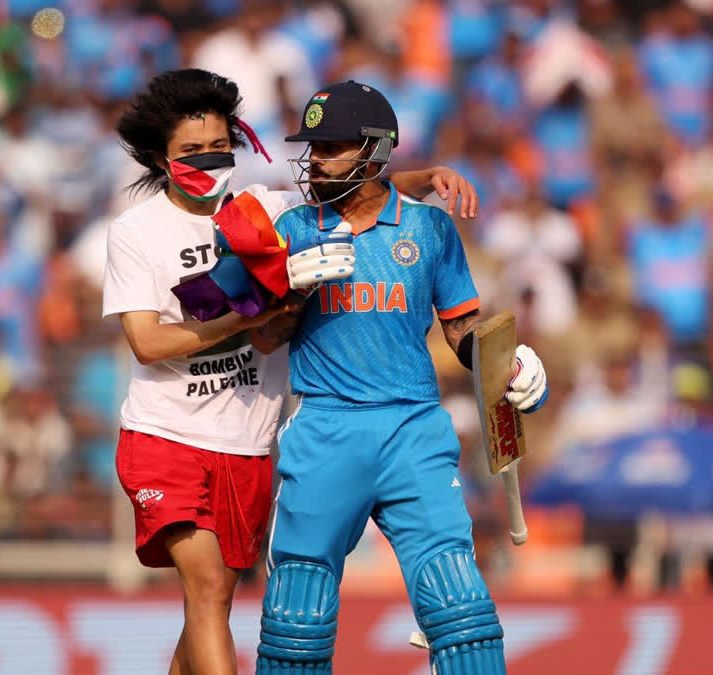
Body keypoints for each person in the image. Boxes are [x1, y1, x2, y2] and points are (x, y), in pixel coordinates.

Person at [101, 69, 477, 675]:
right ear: (158, 157)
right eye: (190, 151)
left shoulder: (266, 211)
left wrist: (427, 178)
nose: (208, 159)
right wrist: (255, 314)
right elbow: (146, 342)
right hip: (165, 434)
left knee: (210, 606)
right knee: (208, 592)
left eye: (218, 145)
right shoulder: (136, 231)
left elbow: (357, 188)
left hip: (247, 439)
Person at [254, 81, 549, 674]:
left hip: (413, 427)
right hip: (324, 425)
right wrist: (289, 296)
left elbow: (462, 334)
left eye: (329, 147)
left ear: (373, 150)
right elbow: (262, 339)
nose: (313, 160)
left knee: (461, 611)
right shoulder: (290, 229)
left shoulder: (429, 230)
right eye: (311, 147)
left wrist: (510, 362)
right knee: (297, 620)